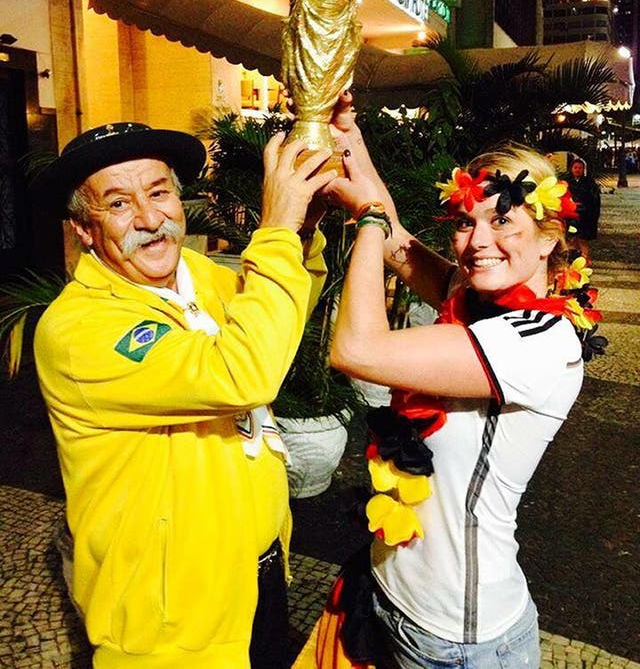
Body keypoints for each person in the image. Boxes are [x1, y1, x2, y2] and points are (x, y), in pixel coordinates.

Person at [33, 120, 338, 668]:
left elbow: (276, 318)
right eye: (119, 204)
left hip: (258, 571)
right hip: (170, 618)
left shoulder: (197, 274)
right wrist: (274, 231)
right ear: (84, 229)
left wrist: (301, 233)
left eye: (159, 192)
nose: (150, 219)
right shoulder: (80, 330)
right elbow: (245, 371)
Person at [321, 103, 603, 668]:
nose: (477, 242)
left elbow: (356, 348)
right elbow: (402, 246)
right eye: (466, 223)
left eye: (502, 221)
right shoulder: (476, 301)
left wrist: (368, 220)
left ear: (548, 239)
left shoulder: (541, 338)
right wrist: (349, 138)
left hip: (458, 639)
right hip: (391, 594)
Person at [564, 156, 601, 260]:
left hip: (585, 216)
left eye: (580, 168)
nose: (577, 170)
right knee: (570, 239)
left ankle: (584, 260)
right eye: (575, 167)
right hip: (570, 215)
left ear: (583, 170)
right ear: (571, 169)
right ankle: (571, 261)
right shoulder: (566, 182)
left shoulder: (590, 183)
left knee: (582, 240)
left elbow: (595, 201)